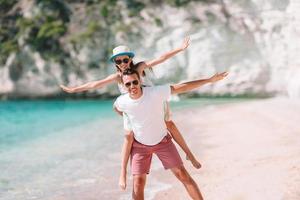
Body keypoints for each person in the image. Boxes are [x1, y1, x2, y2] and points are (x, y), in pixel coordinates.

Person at [60, 38, 201, 190]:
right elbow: (95, 84)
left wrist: (180, 49)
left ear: (130, 59)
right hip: (133, 107)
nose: (122, 63)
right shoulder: (117, 77)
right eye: (119, 61)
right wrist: (74, 90)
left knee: (169, 124)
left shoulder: (139, 68)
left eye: (125, 60)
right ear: (115, 63)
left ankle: (189, 154)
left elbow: (160, 59)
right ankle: (123, 173)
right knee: (128, 136)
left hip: (153, 101)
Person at [114, 68, 228, 200]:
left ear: (139, 81)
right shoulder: (122, 101)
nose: (132, 86)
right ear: (123, 85)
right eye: (128, 84)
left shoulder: (155, 93)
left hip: (163, 142)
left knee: (182, 174)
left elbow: (181, 88)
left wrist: (209, 80)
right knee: (138, 183)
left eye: (134, 82)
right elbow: (116, 107)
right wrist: (128, 120)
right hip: (140, 146)